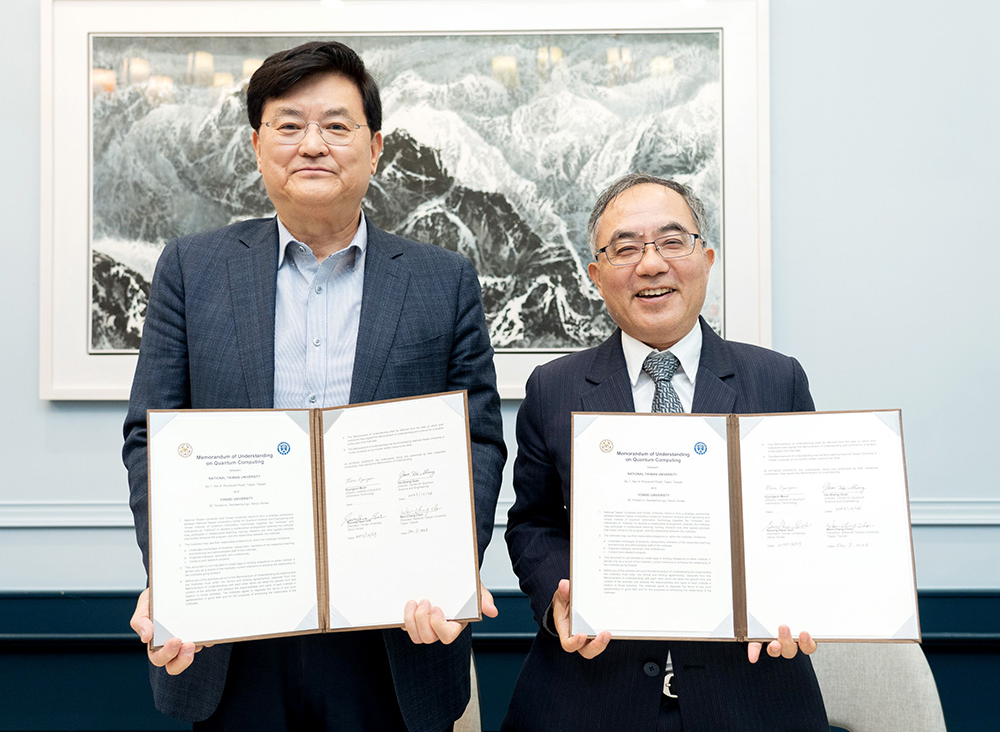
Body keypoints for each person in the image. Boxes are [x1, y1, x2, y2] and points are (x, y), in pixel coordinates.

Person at [122, 41, 506, 731]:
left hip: (393, 634)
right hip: (234, 635)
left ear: (375, 145)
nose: (313, 145)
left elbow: (476, 440)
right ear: (257, 144)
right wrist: (181, 574)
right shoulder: (191, 270)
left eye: (336, 125)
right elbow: (150, 438)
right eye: (290, 124)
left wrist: (448, 566)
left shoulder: (441, 279)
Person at [502, 173, 828, 731]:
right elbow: (532, 523)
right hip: (588, 694)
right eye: (625, 248)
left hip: (749, 696)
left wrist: (797, 597)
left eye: (672, 242)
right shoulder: (553, 388)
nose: (650, 265)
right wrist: (561, 594)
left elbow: (805, 522)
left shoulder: (778, 381)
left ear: (706, 258)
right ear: (596, 276)